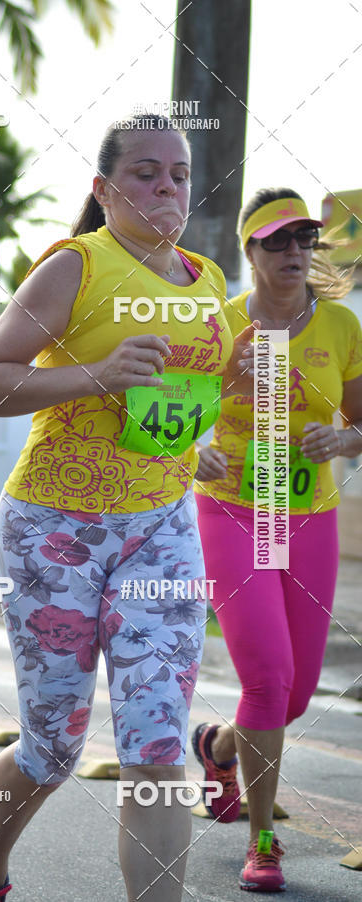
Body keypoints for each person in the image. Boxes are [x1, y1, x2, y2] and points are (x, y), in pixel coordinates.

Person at [0, 113, 258, 902]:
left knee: (156, 747)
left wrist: (221, 403)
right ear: (104, 188)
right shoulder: (75, 267)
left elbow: (176, 401)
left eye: (179, 175)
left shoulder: (208, 281)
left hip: (161, 527)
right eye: (145, 173)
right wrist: (97, 374)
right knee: (53, 747)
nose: (166, 188)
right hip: (55, 528)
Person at [192, 188, 362, 893]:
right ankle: (262, 842)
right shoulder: (219, 322)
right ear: (251, 251)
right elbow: (170, 407)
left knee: (292, 697)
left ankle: (218, 747)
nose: (295, 251)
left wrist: (344, 440)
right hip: (234, 511)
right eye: (278, 240)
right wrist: (191, 449)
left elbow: (361, 420)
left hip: (308, 514)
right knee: (267, 679)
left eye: (305, 239)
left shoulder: (342, 326)